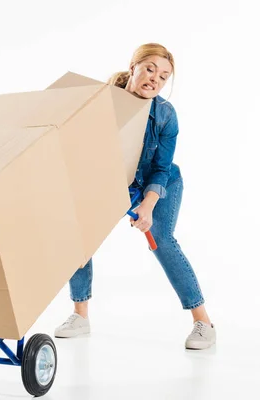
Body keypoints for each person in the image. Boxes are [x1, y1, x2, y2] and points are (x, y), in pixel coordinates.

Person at [53, 43, 216, 350]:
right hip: (113, 183)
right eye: (150, 69)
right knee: (80, 239)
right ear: (133, 67)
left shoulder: (165, 115)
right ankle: (80, 316)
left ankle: (204, 322)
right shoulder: (100, 102)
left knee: (162, 241)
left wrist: (148, 204)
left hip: (158, 182)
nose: (155, 79)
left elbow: (162, 168)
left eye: (164, 76)